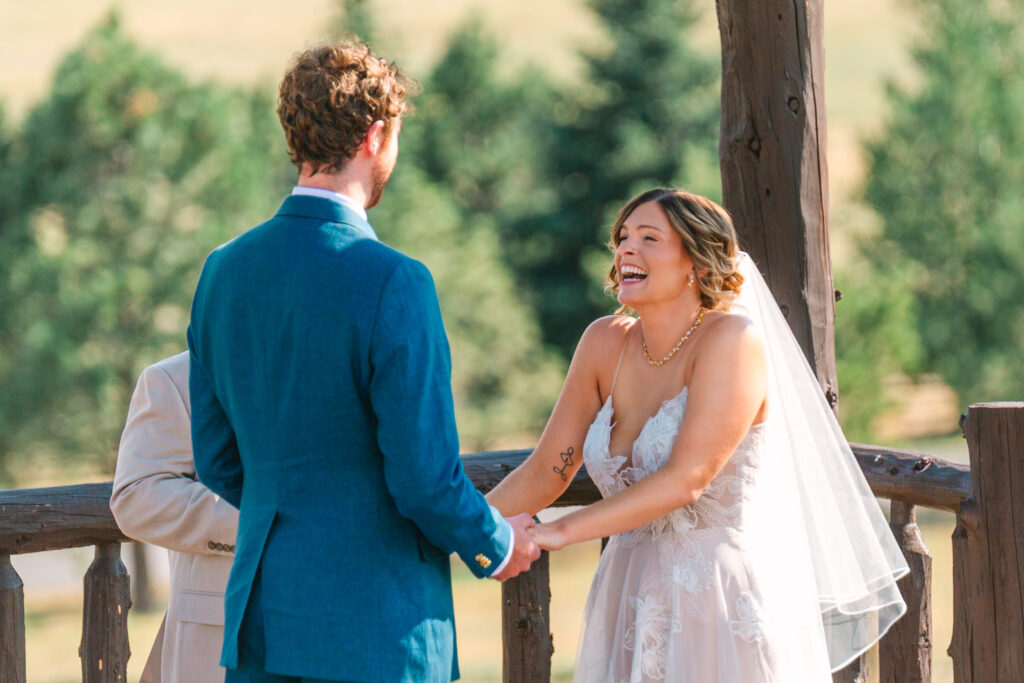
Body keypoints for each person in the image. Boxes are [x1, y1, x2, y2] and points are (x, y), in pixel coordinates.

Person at [187, 42, 539, 683]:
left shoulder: (223, 271)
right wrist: (498, 543)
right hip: (377, 630)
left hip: (263, 625)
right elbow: (424, 478)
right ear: (376, 135)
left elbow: (216, 460)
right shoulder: (394, 281)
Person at [487, 188, 909, 682]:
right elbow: (546, 470)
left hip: (716, 595)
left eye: (649, 238)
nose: (626, 249)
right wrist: (460, 520)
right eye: (622, 237)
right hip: (626, 590)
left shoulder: (733, 341)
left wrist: (560, 529)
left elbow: (685, 479)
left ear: (699, 263)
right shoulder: (603, 343)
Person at [111, 351, 238, 683]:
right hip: (222, 638)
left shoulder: (341, 365)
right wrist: (259, 521)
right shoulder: (175, 377)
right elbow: (136, 498)